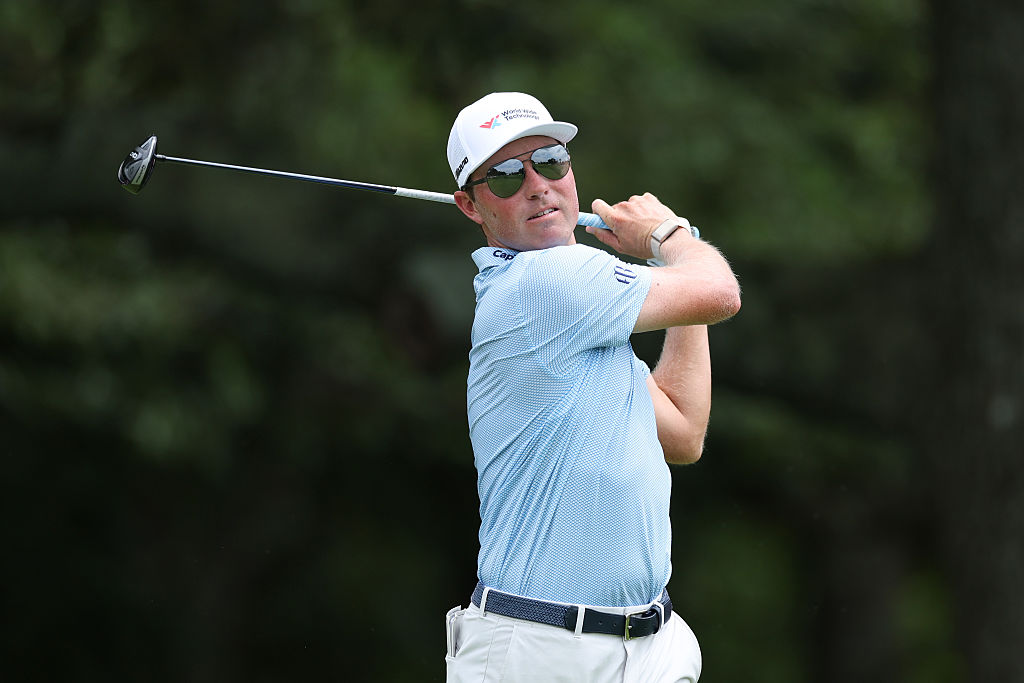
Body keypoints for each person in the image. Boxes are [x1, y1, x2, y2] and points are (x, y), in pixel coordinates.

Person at [443, 92, 741, 683]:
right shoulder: (546, 284)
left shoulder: (586, 317)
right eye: (504, 176)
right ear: (470, 206)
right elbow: (721, 294)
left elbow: (682, 430)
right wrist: (671, 238)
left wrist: (668, 262)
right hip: (544, 652)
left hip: (647, 646)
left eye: (550, 161)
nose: (537, 186)